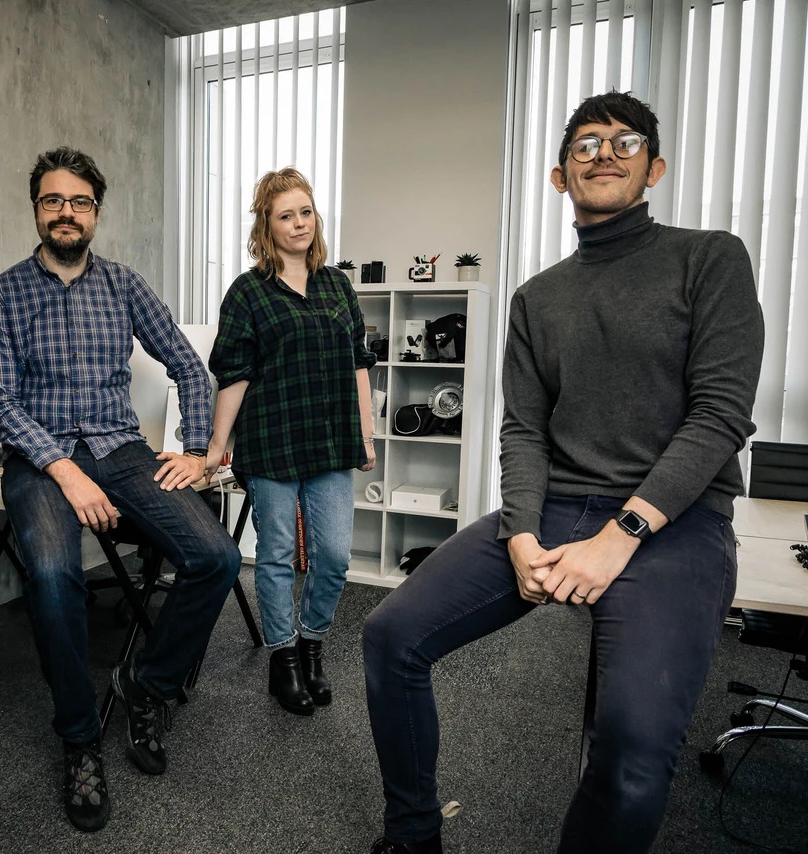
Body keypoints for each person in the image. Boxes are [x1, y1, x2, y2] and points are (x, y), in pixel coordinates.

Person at [363, 91, 764, 854]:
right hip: (555, 509)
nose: (604, 154)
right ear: (559, 175)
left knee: (632, 748)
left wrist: (624, 533)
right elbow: (524, 432)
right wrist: (518, 534)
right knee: (389, 636)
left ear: (655, 166)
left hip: (672, 524)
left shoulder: (710, 258)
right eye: (586, 144)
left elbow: (719, 415)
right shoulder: (536, 298)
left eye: (625, 142)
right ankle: (412, 832)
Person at [0, 147, 243, 833]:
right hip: (41, 460)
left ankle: (145, 686)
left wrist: (192, 450)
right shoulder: (5, 292)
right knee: (53, 573)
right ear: (36, 209)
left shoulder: (124, 285)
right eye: (52, 200)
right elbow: (1, 402)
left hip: (121, 450)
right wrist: (62, 471)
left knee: (214, 556)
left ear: (95, 211)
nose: (66, 212)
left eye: (79, 201)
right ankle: (78, 738)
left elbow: (189, 363)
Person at [207, 167, 376, 716]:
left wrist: (367, 435)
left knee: (331, 556)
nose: (299, 223)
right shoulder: (248, 292)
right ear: (267, 225)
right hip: (272, 442)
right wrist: (215, 448)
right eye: (286, 215)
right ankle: (283, 661)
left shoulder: (336, 285)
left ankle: (311, 644)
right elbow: (233, 376)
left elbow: (358, 365)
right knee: (276, 556)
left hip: (331, 440)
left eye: (306, 212)